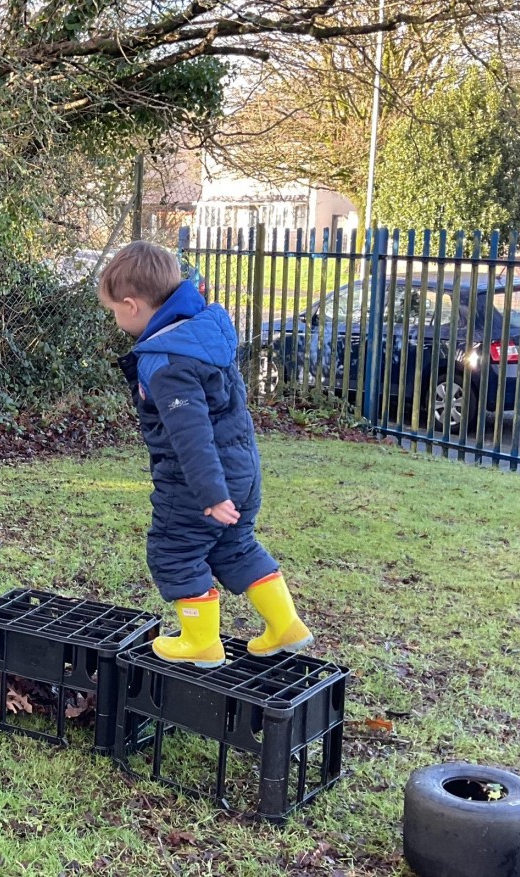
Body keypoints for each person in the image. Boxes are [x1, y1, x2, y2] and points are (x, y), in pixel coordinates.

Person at [98, 241, 312, 666]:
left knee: (174, 550)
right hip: (243, 469)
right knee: (234, 546)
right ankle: (285, 624)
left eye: (114, 312)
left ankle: (200, 641)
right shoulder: (202, 333)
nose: (117, 319)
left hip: (197, 482)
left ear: (132, 305)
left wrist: (211, 494)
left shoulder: (166, 360)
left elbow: (191, 433)